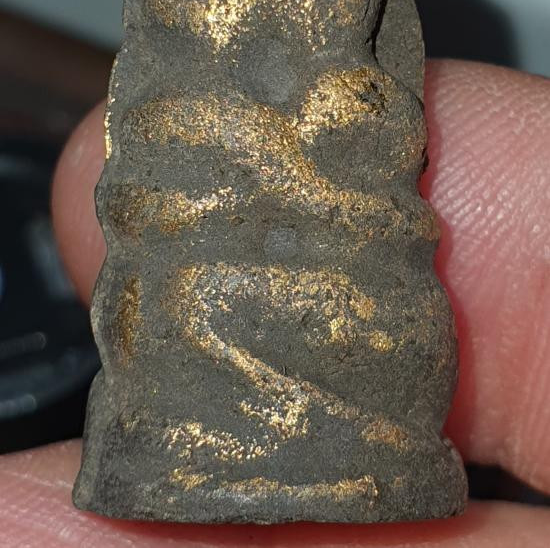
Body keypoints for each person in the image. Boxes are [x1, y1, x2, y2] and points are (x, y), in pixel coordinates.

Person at [1, 58, 549, 546]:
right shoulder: (194, 104)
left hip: (373, 315)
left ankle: (333, 435)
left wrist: (285, 186)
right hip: (266, 298)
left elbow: (386, 222)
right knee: (155, 307)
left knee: (194, 300)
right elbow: (136, 203)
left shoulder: (363, 98)